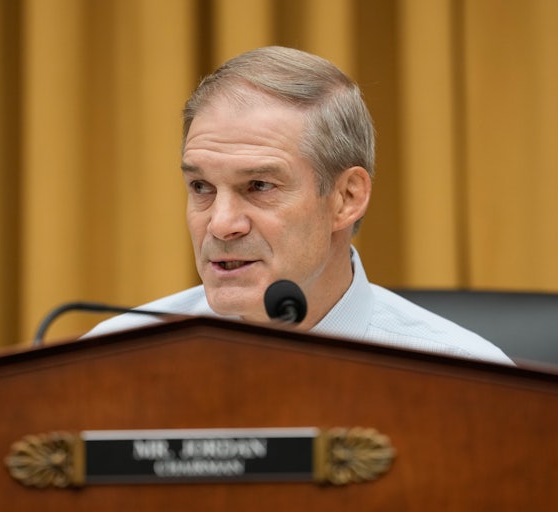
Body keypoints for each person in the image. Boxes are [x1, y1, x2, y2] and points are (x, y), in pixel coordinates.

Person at [85, 46, 512, 365]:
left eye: (258, 186)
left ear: (346, 198)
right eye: (201, 186)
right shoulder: (116, 360)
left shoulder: (461, 375)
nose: (221, 224)